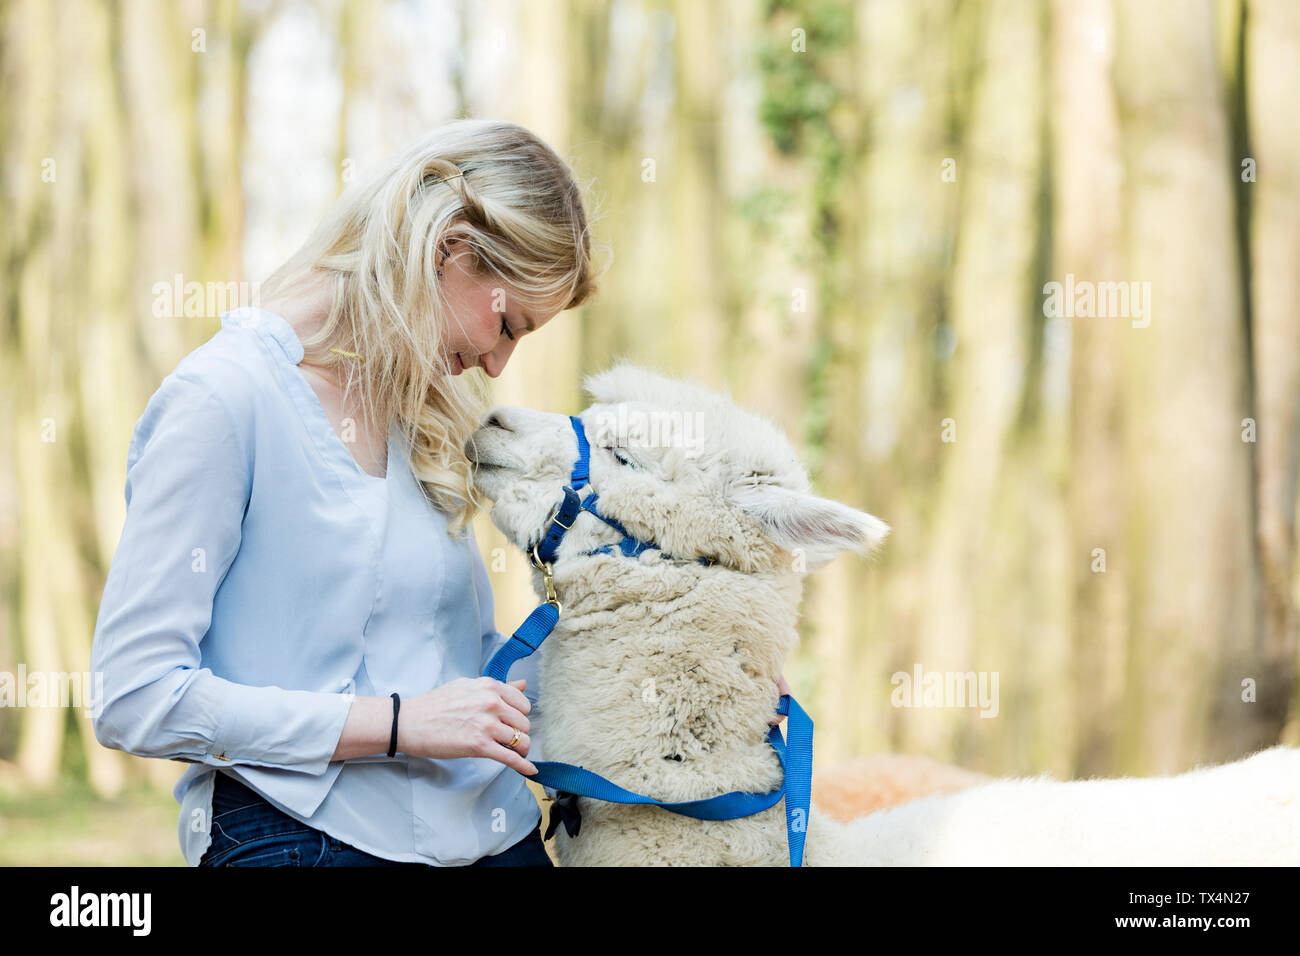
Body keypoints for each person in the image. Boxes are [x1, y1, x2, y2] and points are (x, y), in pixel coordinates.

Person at [90, 118, 602, 867]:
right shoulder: (224, 401)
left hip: (489, 831)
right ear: (449, 244)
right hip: (298, 832)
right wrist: (396, 724)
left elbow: (462, 665)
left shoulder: (425, 416)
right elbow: (133, 696)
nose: (498, 364)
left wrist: (695, 674)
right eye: (506, 324)